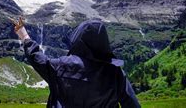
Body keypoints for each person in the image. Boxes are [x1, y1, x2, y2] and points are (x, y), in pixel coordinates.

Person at [10, 17, 141, 108]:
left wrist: (24, 36)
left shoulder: (61, 66)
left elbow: (38, 59)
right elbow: (131, 104)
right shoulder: (115, 72)